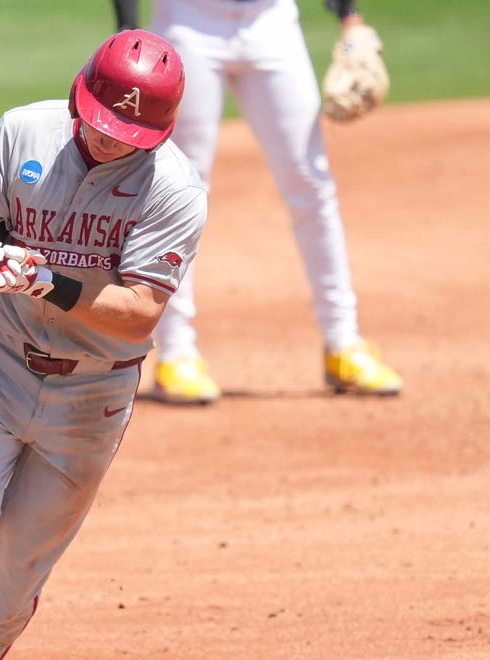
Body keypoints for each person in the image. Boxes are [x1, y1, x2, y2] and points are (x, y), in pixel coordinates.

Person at [0, 29, 207, 660]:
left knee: (19, 568)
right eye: (103, 124)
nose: (110, 140)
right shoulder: (24, 132)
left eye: (130, 135)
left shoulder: (175, 189)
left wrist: (47, 279)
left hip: (93, 394)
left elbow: (139, 314)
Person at [111, 0, 403, 403]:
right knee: (180, 190)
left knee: (311, 182)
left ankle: (344, 342)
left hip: (272, 23)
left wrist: (350, 18)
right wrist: (129, 31)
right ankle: (176, 353)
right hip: (188, 21)